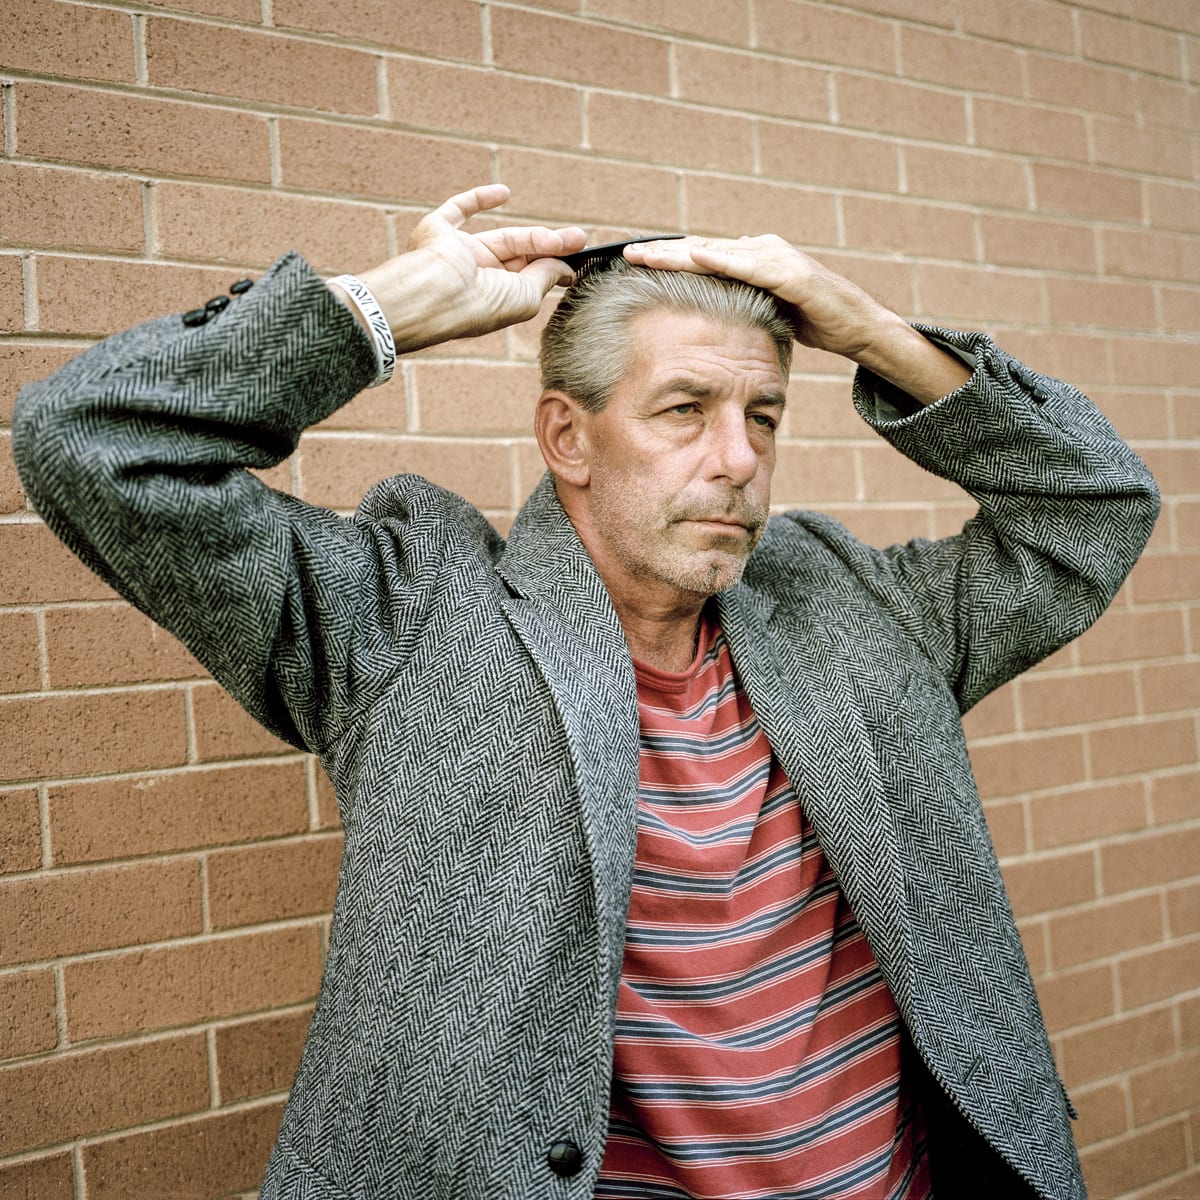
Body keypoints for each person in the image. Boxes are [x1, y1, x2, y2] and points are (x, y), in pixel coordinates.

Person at [13, 184, 1158, 1200]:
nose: (738, 460)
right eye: (685, 410)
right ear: (568, 436)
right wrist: (383, 310)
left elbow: (1094, 508)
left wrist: (871, 332)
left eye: (761, 415)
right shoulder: (412, 621)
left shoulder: (846, 604)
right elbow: (92, 440)